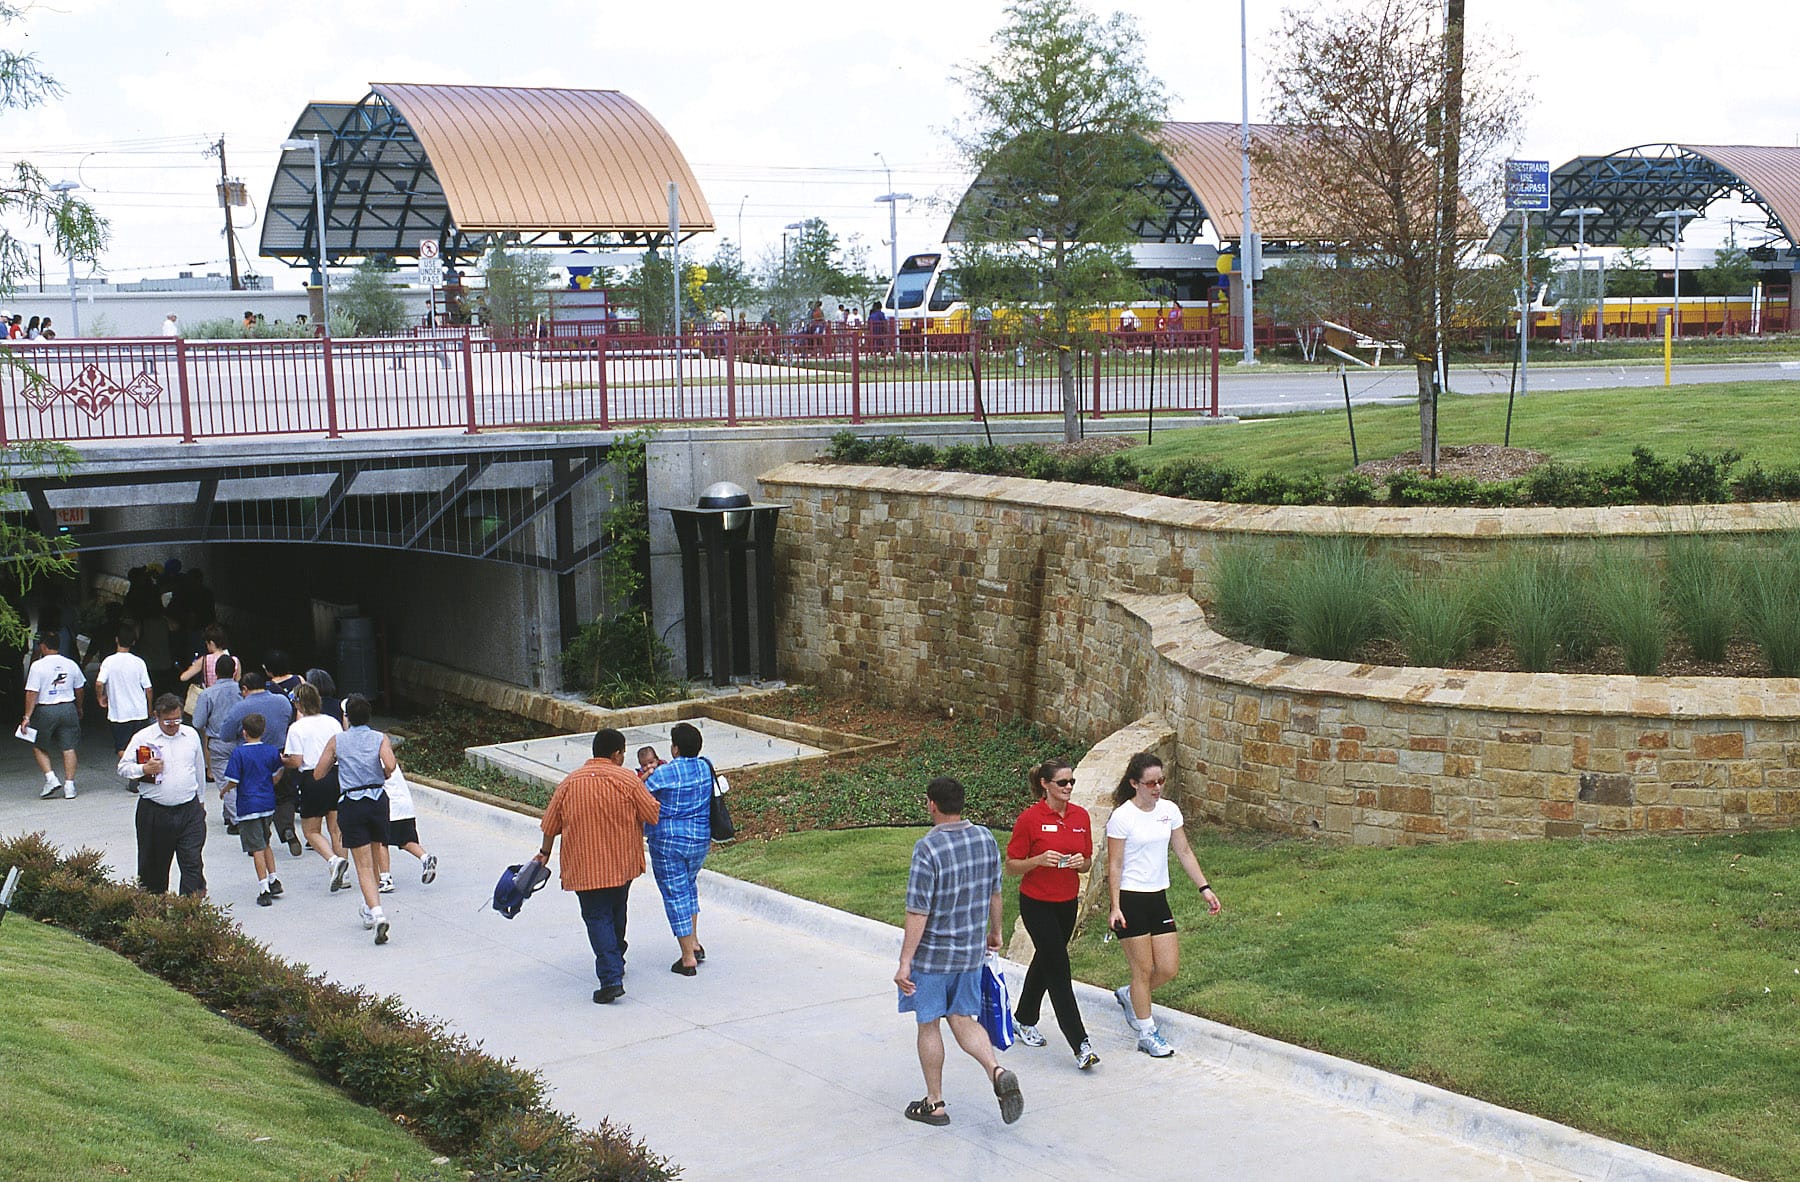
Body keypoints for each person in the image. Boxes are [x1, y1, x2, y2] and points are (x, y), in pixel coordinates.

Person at [895, 775, 1023, 1127]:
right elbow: (995, 893)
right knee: (964, 1020)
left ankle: (935, 1103)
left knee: (928, 1024)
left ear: (931, 805)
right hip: (969, 953)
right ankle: (996, 1070)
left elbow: (918, 910)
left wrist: (906, 961)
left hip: (933, 957)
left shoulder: (928, 848)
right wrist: (995, 932)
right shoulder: (985, 838)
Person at [1105, 753, 1221, 1058]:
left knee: (1168, 969)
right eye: (1150, 782)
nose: (1157, 787)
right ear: (1134, 783)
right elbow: (1114, 864)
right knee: (1142, 970)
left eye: (1161, 780)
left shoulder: (1168, 811)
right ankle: (1146, 1032)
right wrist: (1115, 907)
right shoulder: (1122, 817)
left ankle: (1130, 996)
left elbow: (1183, 850)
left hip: (1158, 898)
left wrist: (1204, 888)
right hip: (1130, 898)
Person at [534, 728, 660, 1004]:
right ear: (617, 753)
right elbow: (652, 813)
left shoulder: (570, 782)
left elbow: (550, 825)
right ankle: (616, 961)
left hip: (585, 866)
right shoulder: (628, 780)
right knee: (617, 910)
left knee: (597, 917)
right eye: (624, 753)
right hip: (622, 863)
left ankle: (611, 977)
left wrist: (544, 854)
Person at [1004, 757, 1098, 1070]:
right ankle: (1080, 1044)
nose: (1069, 787)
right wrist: (1039, 860)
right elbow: (1012, 866)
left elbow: (1087, 859)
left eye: (1072, 782)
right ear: (1045, 785)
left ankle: (1023, 1019)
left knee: (1046, 961)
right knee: (1058, 968)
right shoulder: (1030, 819)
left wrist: (1079, 864)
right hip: (1036, 903)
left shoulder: (1080, 817)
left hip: (1066, 902)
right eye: (1062, 783)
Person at [312, 694, 398, 945]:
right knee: (374, 855)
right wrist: (382, 773)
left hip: (352, 802)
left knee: (362, 865)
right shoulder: (379, 737)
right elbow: (391, 764)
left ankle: (377, 914)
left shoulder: (337, 741)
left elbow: (318, 773)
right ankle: (370, 906)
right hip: (377, 800)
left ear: (347, 717)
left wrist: (340, 762)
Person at [643, 722, 715, 975]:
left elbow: (639, 794)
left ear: (674, 748)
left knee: (675, 894)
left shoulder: (665, 774)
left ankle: (687, 958)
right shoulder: (706, 766)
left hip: (668, 842)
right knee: (688, 887)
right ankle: (693, 942)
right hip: (700, 840)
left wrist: (647, 773)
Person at [118, 694, 209, 895]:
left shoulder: (190, 735)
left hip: (189, 809)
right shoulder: (143, 737)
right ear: (156, 716)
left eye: (177, 720)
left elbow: (199, 769)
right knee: (153, 869)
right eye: (168, 722)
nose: (173, 726)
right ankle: (155, 913)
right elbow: (123, 768)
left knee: (192, 862)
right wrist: (143, 769)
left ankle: (189, 910)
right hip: (155, 812)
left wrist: (200, 801)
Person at [217, 671, 298, 854]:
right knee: (284, 796)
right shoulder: (282, 701)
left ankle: (259, 842)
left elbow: (225, 735)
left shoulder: (239, 708)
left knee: (255, 797)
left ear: (244, 688)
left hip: (251, 757)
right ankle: (287, 829)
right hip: (279, 754)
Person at [284, 682, 348, 891]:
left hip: (313, 777)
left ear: (298, 704)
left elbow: (296, 760)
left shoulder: (297, 728)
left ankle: (332, 860)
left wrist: (282, 760)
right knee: (336, 828)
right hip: (336, 774)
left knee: (311, 830)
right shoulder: (332, 722)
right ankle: (343, 874)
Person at [222, 713, 285, 905]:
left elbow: (233, 780)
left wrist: (224, 791)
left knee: (256, 847)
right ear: (263, 731)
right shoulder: (271, 751)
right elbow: (276, 774)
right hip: (268, 802)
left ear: (244, 732)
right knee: (265, 842)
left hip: (248, 805)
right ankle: (274, 878)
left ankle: (263, 887)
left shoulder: (239, 753)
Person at [22, 632, 85, 799]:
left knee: (38, 745)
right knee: (69, 747)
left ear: (43, 646)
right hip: (68, 707)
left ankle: (51, 778)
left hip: (46, 709)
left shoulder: (38, 666)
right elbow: (79, 688)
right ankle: (70, 786)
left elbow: (31, 692)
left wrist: (27, 716)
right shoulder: (71, 664)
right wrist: (79, 707)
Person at [95, 621, 154, 794]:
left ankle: (134, 775)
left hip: (119, 713)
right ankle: (141, 775)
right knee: (142, 746)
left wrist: (100, 697)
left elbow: (99, 683)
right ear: (134, 642)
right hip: (139, 711)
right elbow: (148, 689)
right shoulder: (139, 662)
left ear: (116, 640)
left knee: (122, 747)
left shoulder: (109, 661)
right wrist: (149, 708)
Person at [192, 654, 242, 832]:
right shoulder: (242, 691)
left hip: (218, 741)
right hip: (241, 740)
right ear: (235, 671)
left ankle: (238, 820)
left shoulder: (208, 694)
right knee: (240, 779)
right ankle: (229, 814)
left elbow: (197, 722)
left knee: (225, 782)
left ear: (216, 672)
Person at [379, 764, 438, 888]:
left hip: (391, 806)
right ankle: (426, 858)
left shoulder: (375, 759)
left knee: (380, 841)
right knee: (405, 840)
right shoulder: (389, 759)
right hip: (406, 806)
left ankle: (385, 879)